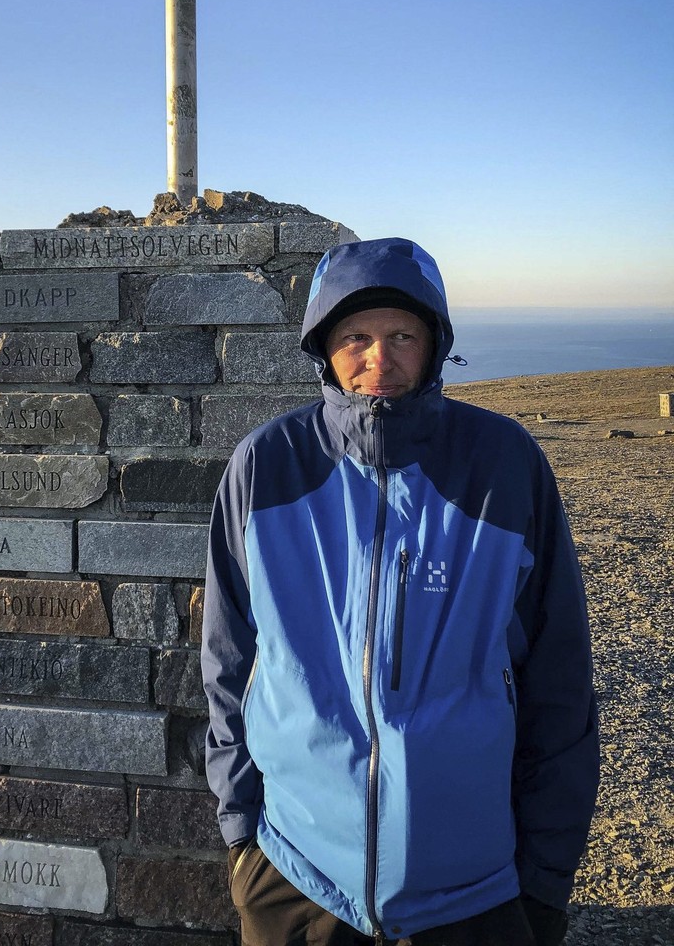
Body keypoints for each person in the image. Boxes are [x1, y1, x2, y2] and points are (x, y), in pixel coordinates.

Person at [201, 237, 598, 946]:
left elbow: (559, 679)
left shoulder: (505, 465)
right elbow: (227, 661)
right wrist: (242, 838)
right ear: (323, 346)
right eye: (355, 335)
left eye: (402, 335)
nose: (379, 358)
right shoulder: (265, 466)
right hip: (295, 874)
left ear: (434, 343)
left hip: (476, 889)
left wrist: (544, 878)